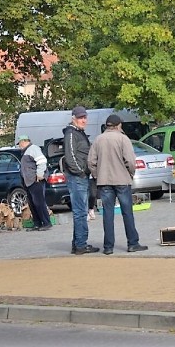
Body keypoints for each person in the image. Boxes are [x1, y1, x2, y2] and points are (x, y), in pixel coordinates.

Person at [87, 114, 147, 254]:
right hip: (122, 180)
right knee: (127, 212)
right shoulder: (122, 139)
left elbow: (91, 162)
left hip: (104, 181)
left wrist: (97, 175)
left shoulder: (98, 139)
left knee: (107, 213)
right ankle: (133, 243)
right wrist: (130, 174)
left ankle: (108, 247)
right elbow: (131, 161)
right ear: (118, 125)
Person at [62, 105, 98, 254]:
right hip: (77, 178)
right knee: (80, 212)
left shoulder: (79, 133)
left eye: (84, 117)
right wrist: (81, 172)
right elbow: (70, 157)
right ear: (73, 119)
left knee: (81, 212)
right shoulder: (71, 134)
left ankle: (77, 244)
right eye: (80, 118)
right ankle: (81, 245)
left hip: (81, 177)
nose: (83, 120)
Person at [18, 134, 51, 231]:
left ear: (24, 141)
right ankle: (37, 223)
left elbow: (42, 162)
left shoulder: (33, 148)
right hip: (29, 181)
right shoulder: (26, 151)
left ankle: (46, 222)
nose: (19, 145)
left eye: (19, 143)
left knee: (39, 202)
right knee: (32, 203)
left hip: (35, 180)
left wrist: (40, 175)